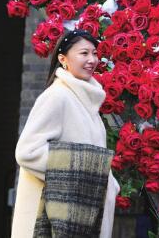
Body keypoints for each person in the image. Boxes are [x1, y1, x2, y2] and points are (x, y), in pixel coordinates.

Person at [11, 29, 120, 238]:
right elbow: (27, 151)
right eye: (84, 53)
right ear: (63, 59)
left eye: (95, 53)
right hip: (53, 220)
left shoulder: (87, 102)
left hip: (82, 215)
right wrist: (87, 175)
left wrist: (108, 184)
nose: (92, 60)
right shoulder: (57, 96)